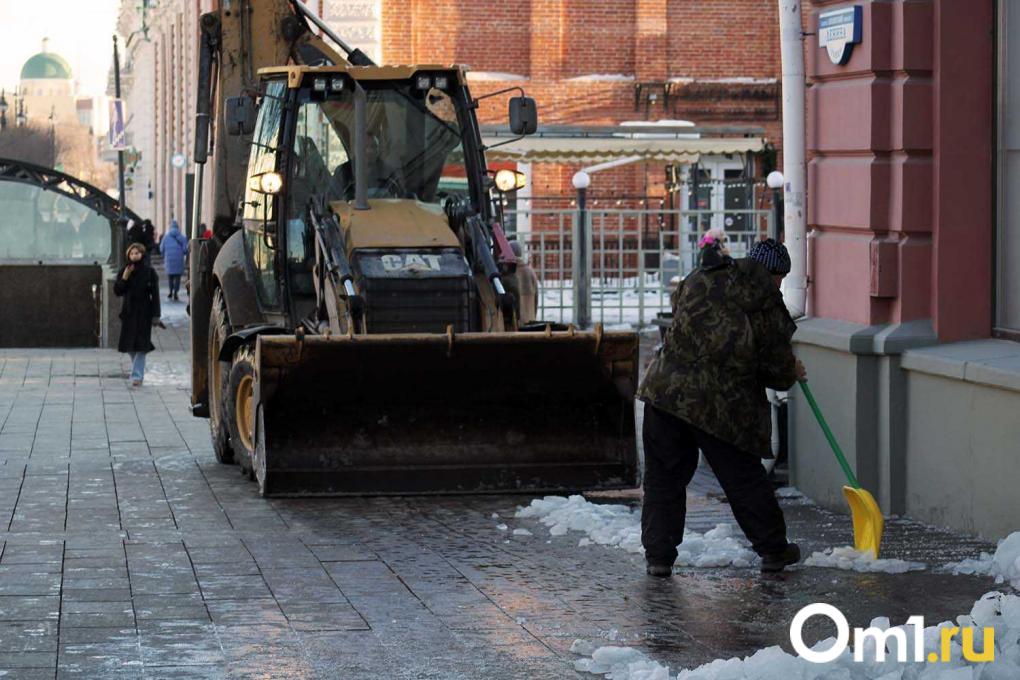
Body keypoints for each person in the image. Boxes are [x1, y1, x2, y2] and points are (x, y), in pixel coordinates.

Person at [638, 236, 806, 576]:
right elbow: (776, 370)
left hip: (665, 392)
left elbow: (683, 319)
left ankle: (659, 557)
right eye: (781, 278)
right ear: (775, 274)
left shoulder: (700, 277)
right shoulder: (766, 303)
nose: (779, 284)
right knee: (744, 479)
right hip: (720, 406)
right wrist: (792, 370)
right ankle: (774, 550)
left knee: (663, 479)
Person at [114, 243, 161, 387]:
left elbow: (155, 295)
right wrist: (124, 278)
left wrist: (156, 315)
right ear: (128, 255)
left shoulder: (149, 272)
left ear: (142, 254)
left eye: (137, 253)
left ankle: (137, 376)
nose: (134, 256)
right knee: (129, 346)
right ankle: (137, 371)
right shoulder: (125, 270)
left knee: (142, 346)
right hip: (129, 312)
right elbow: (118, 291)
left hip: (144, 313)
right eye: (132, 253)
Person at [160, 218, 189, 301]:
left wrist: (164, 255)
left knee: (170, 277)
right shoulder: (182, 237)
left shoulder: (165, 237)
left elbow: (161, 248)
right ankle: (176, 292)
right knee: (177, 277)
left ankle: (170, 291)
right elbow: (185, 249)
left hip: (169, 260)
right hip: (178, 260)